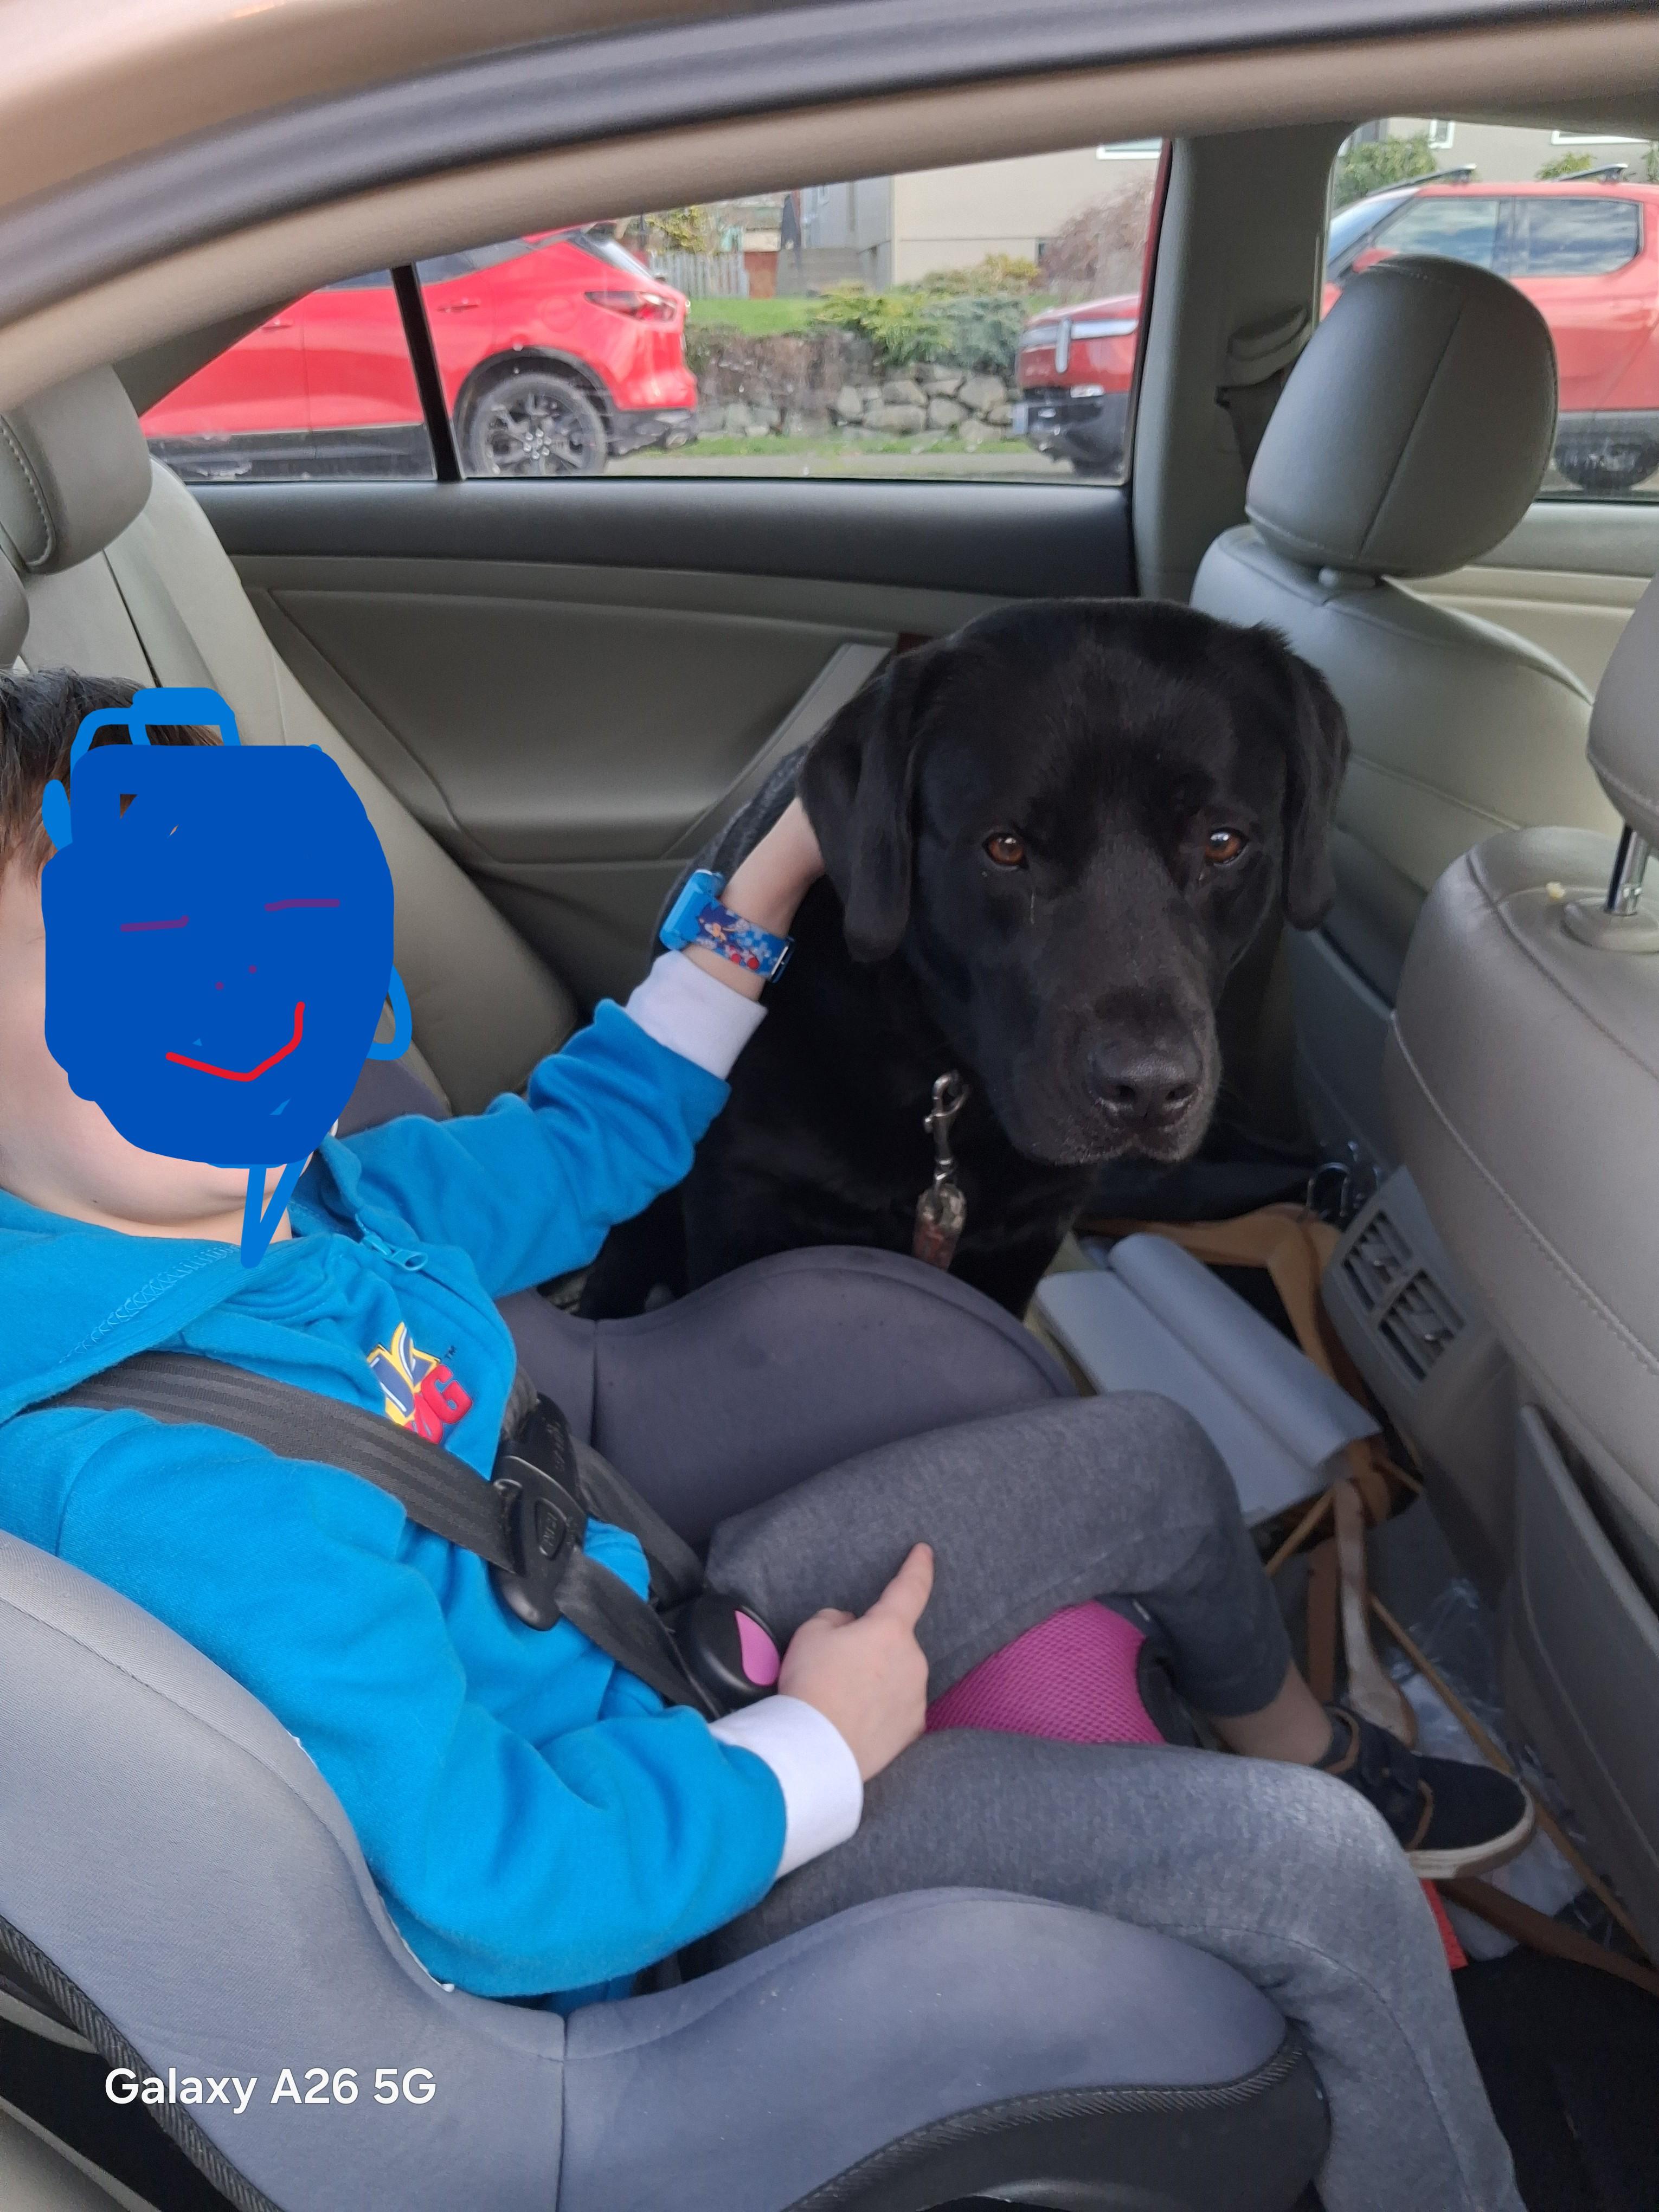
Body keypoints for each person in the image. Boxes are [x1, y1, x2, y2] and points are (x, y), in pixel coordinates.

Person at [0, 668, 1531, 2212]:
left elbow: (588, 1141)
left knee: (1151, 1458)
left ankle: (1294, 1729)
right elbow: (492, 1882)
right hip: (679, 1887)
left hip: (656, 1642)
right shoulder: (165, 1482)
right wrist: (810, 1752)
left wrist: (769, 882)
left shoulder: (310, 1202)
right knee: (1310, 1868)